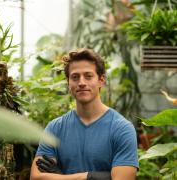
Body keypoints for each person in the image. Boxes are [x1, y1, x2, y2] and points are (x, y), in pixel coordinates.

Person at [30, 48, 139, 180]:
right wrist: (93, 177)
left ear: (101, 80)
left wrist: (61, 177)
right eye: (75, 77)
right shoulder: (55, 128)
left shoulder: (121, 128)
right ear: (68, 83)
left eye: (88, 76)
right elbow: (36, 177)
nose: (81, 83)